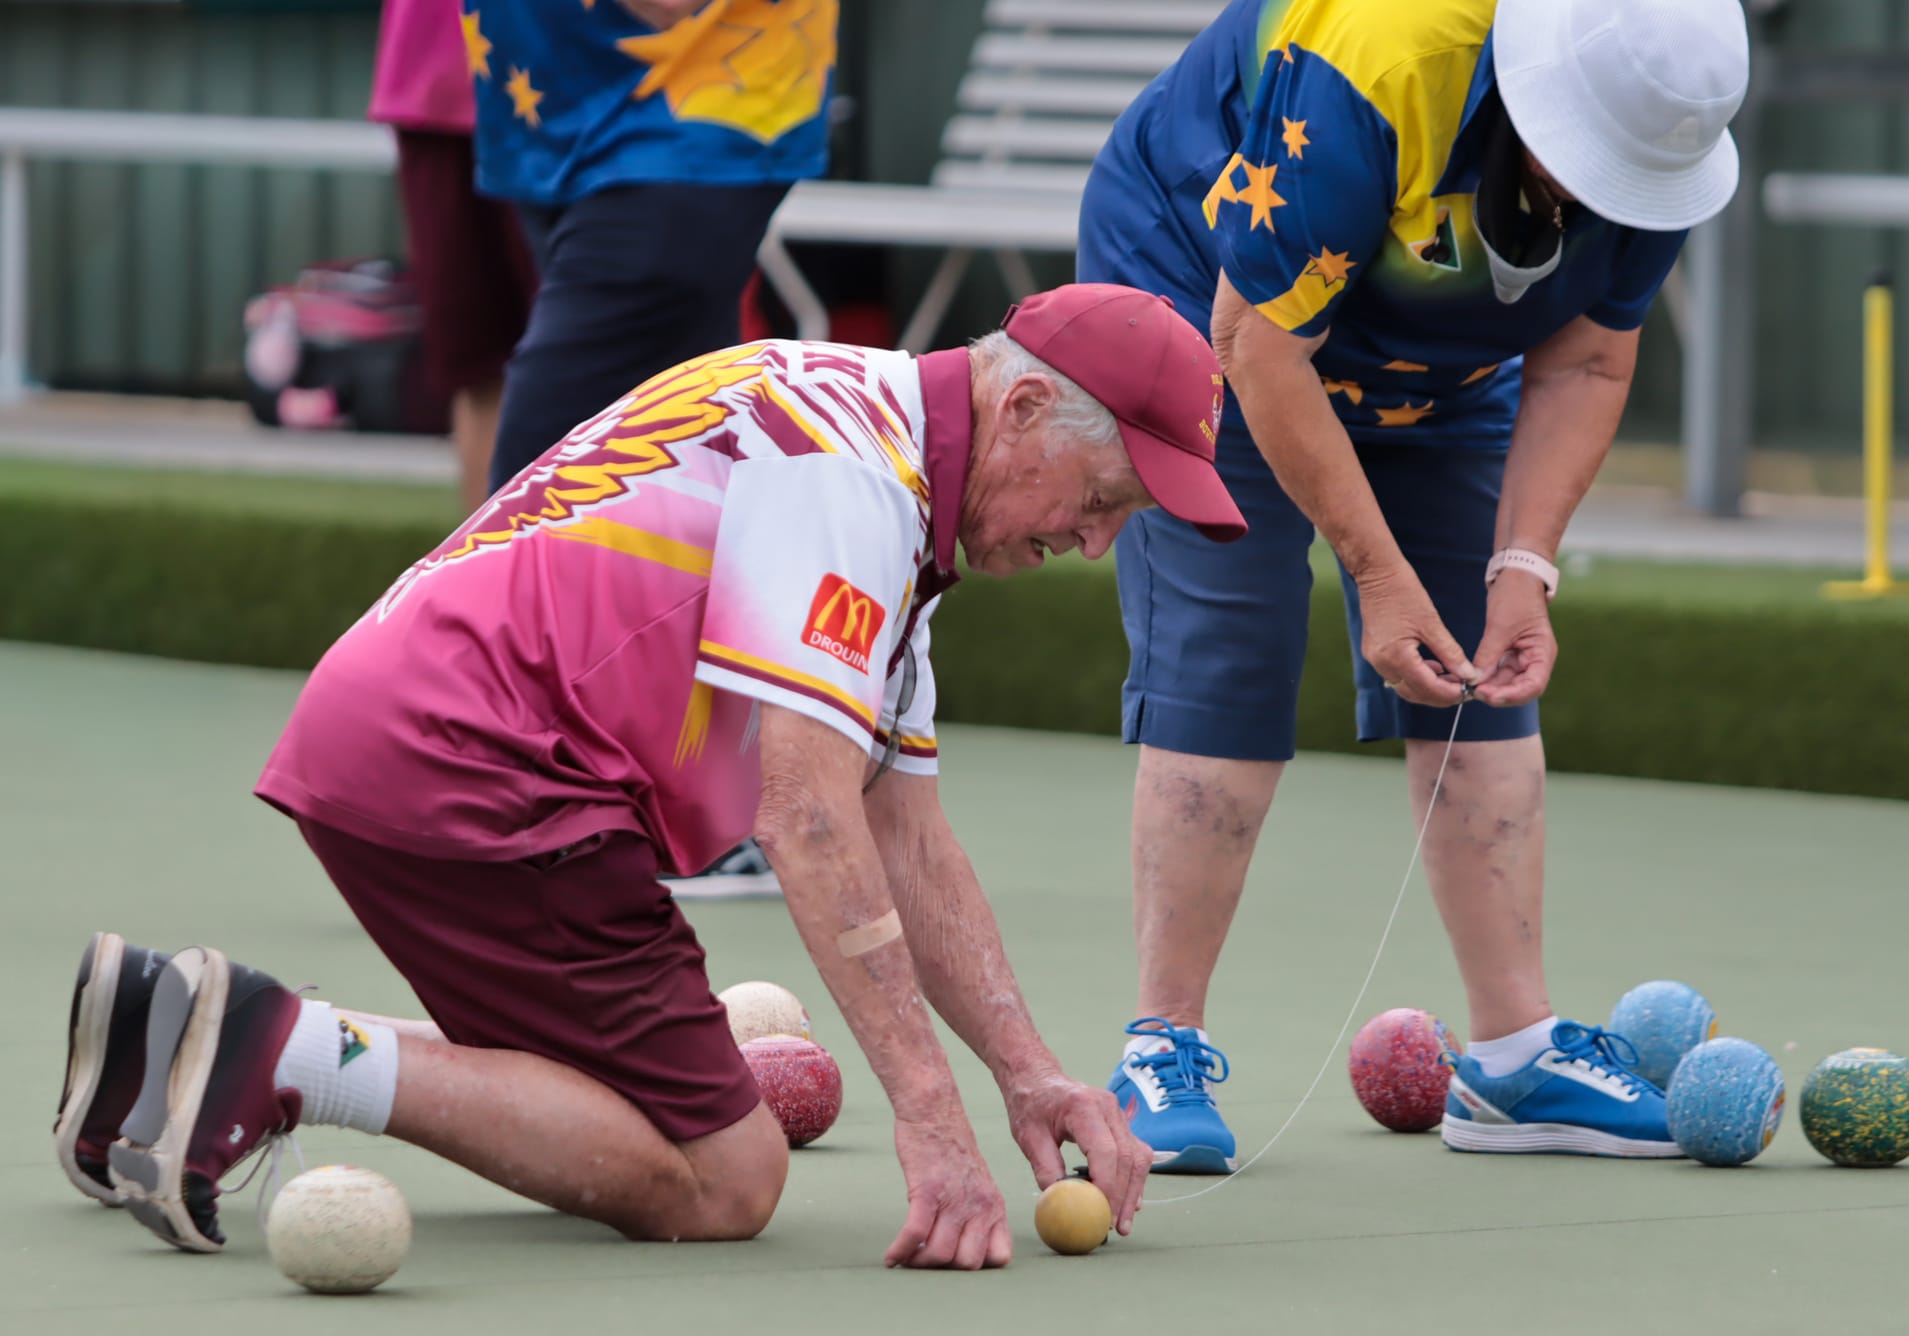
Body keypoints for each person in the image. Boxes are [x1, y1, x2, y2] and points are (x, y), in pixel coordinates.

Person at [54, 285, 1246, 1269]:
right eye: (1099, 502)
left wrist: (1027, 1076)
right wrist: (932, 1118)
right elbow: (808, 819)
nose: (1091, 544)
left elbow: (909, 841)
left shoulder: (868, 445)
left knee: (600, 1103)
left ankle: (165, 1029)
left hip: (410, 730)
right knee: (724, 1174)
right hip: (487, 766)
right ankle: (276, 1045)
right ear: (1025, 404)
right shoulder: (854, 478)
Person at [1074, 0, 1749, 1170]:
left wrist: (1521, 569)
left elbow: (1588, 355)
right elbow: (1259, 344)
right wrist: (1377, 576)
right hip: (1209, 297)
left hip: (1437, 348)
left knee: (1483, 676)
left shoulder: (1661, 129)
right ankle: (1157, 1050)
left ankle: (1511, 1057)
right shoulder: (1379, 65)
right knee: (1230, 643)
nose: (1603, 199)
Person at [468, 0, 844, 895]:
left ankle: (473, 784)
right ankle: (697, 806)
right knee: (675, 459)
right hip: (559, 103)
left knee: (546, 467)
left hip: (692, 102)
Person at [367, 0, 537, 512]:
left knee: (612, 365)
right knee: (479, 362)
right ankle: (491, 578)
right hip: (435, 76)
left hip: (588, 85)